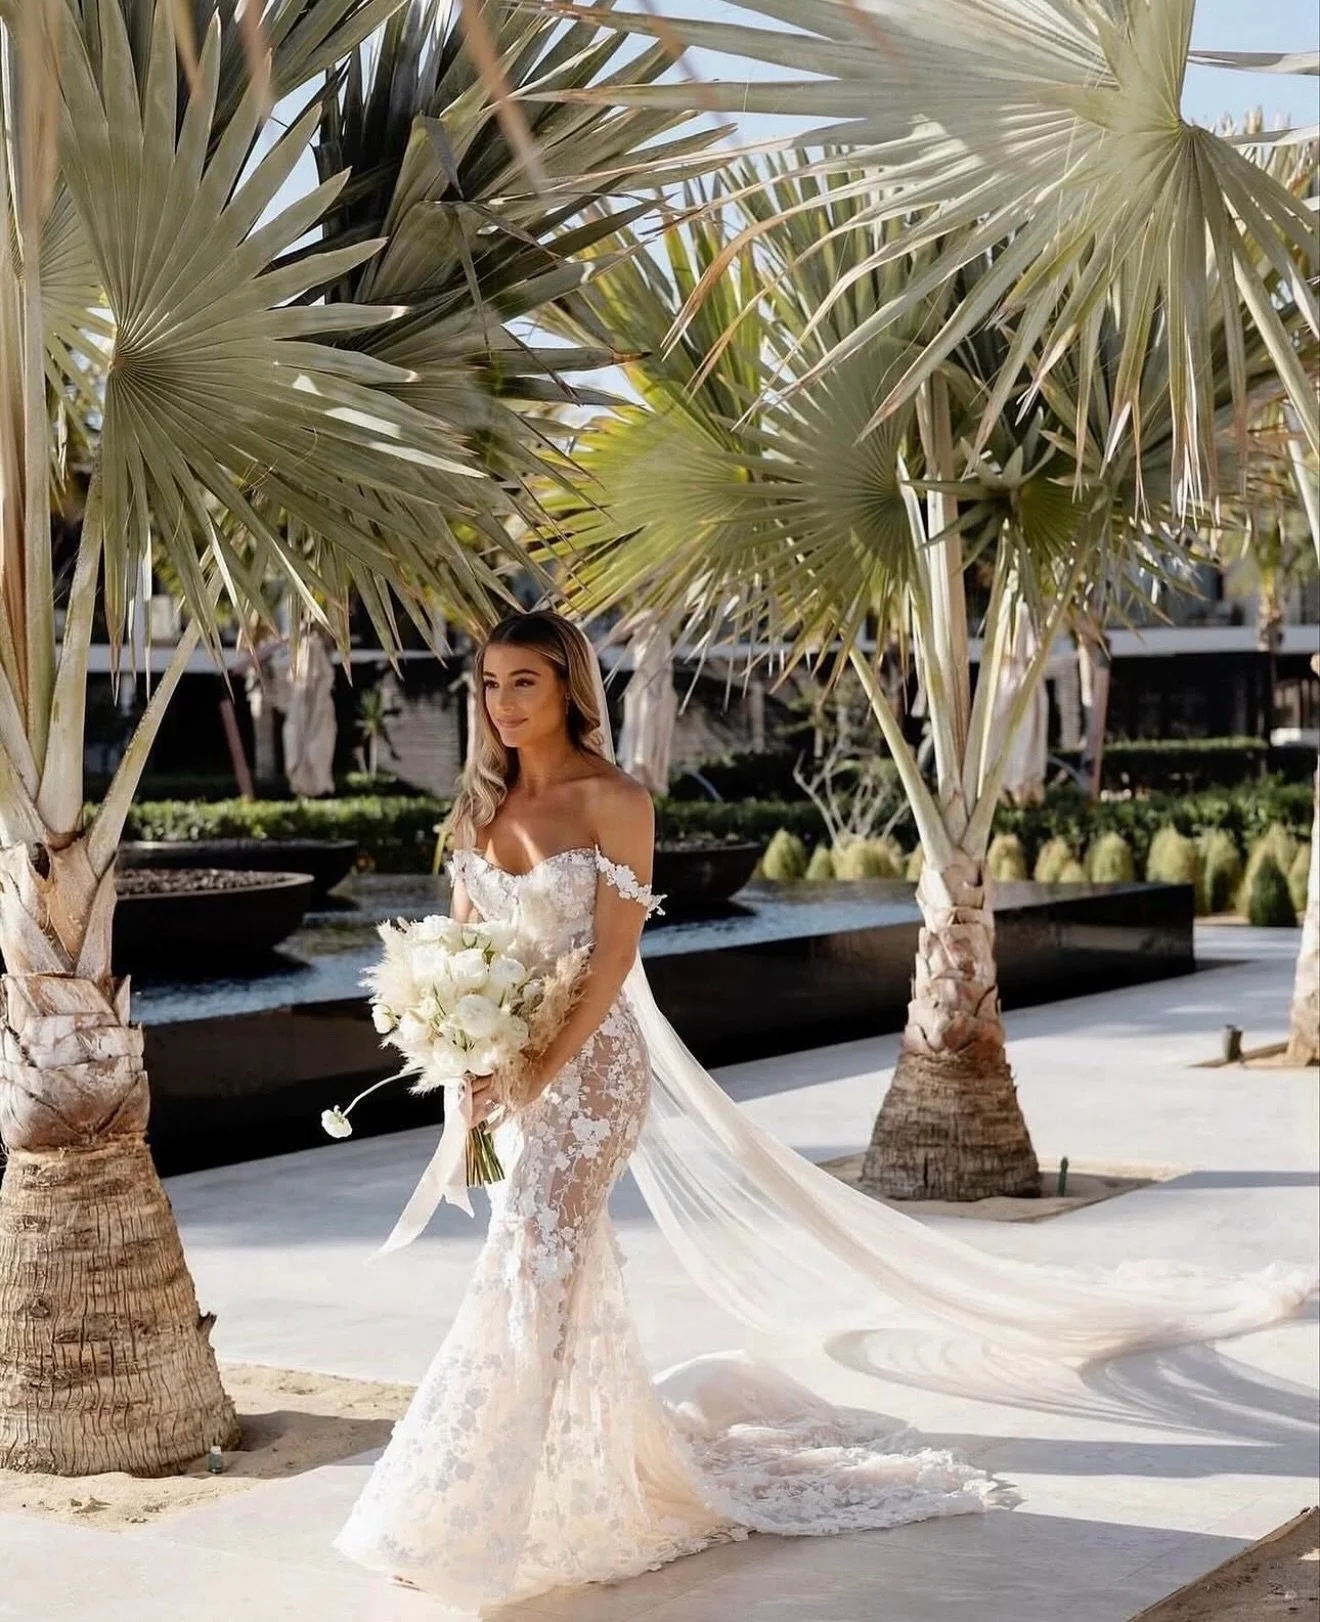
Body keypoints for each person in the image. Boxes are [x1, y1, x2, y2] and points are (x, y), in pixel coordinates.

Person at [336, 610, 1314, 1613]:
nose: (502, 703)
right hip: (511, 1073)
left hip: (589, 1074)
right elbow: (464, 953)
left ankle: (466, 1511)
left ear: (569, 688)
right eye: (490, 684)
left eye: (523, 683)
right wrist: (466, 1052)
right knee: (545, 1270)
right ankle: (561, 1479)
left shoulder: (615, 798)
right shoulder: (479, 807)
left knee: (530, 1264)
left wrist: (540, 1068)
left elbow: (614, 959)